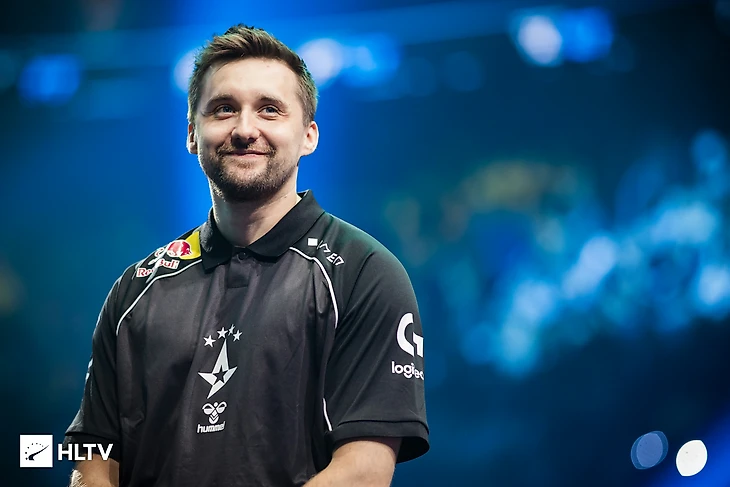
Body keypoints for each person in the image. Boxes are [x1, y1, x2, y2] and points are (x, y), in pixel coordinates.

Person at [64, 24, 429, 487]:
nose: (244, 129)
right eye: (223, 109)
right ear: (192, 134)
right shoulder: (136, 289)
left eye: (269, 109)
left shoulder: (364, 274)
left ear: (309, 136)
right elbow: (92, 454)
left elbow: (364, 470)